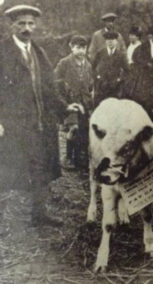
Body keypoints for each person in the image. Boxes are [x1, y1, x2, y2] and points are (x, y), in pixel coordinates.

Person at [0, 5, 79, 226]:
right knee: (7, 169)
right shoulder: (2, 51)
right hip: (13, 123)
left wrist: (65, 108)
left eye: (30, 23)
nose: (27, 28)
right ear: (12, 25)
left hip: (41, 122)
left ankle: (39, 214)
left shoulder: (39, 52)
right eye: (21, 23)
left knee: (41, 166)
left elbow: (49, 89)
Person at [54, 35, 93, 169]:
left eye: (84, 48)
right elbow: (55, 82)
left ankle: (79, 158)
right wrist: (63, 100)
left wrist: (90, 97)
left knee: (83, 130)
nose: (81, 51)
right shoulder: (64, 63)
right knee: (73, 128)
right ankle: (68, 158)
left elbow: (90, 84)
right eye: (78, 48)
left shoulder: (88, 64)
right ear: (71, 48)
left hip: (85, 103)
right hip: (70, 102)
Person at [128, 23, 153, 122]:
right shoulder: (142, 47)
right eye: (150, 36)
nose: (152, 38)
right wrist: (146, 64)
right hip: (145, 77)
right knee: (143, 99)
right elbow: (135, 58)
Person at [92, 31, 129, 107]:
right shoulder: (100, 53)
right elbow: (92, 67)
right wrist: (97, 77)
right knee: (101, 107)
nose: (110, 42)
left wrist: (119, 79)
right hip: (102, 86)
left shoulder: (120, 55)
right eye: (108, 40)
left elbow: (127, 70)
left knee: (114, 107)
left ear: (116, 42)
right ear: (105, 41)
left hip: (115, 87)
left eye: (112, 40)